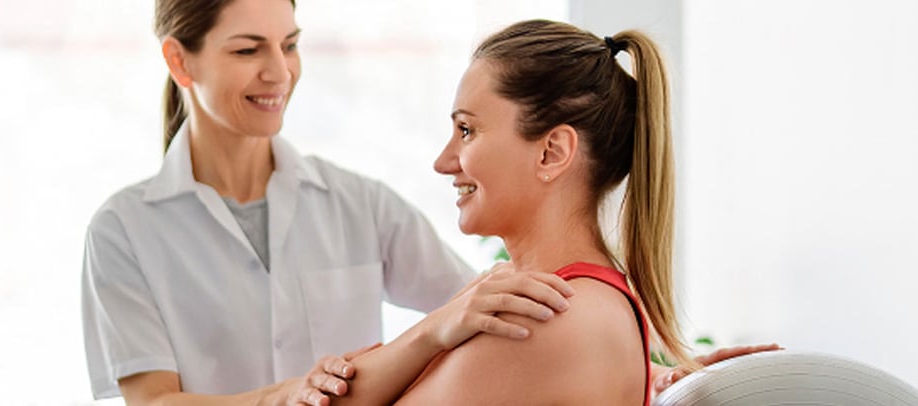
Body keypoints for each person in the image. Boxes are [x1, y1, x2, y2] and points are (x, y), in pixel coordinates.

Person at [81, 1, 777, 404]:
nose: (279, 70)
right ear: (182, 63)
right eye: (247, 49)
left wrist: (664, 373)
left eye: (289, 45)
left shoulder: (360, 204)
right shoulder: (124, 229)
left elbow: (491, 314)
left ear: (554, 152)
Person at [315, 19, 780, 405]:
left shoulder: (543, 319)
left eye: (467, 130)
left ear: (552, 152)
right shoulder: (558, 303)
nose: (444, 161)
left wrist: (429, 334)